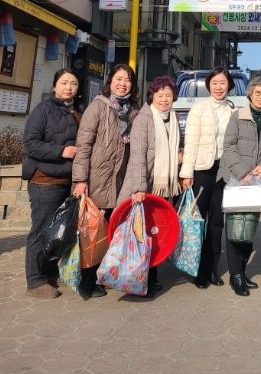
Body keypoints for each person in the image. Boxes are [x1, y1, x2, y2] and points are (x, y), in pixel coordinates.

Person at [72, 63, 140, 300]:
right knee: (92, 233)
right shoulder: (98, 107)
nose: (122, 84)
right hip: (96, 178)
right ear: (110, 82)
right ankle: (86, 281)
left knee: (110, 229)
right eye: (118, 79)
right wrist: (80, 179)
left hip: (120, 181)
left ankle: (102, 276)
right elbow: (83, 145)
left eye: (127, 80)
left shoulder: (133, 111)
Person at [118, 76, 181, 297]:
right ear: (152, 96)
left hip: (162, 186)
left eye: (168, 95)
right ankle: (138, 278)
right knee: (141, 232)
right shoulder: (143, 119)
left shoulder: (172, 118)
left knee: (155, 230)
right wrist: (139, 188)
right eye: (160, 95)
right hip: (145, 186)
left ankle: (150, 276)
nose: (164, 99)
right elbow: (137, 156)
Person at [220, 75, 261, 296]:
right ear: (250, 94)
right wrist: (242, 172)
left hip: (256, 181)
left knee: (249, 227)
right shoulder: (237, 116)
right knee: (235, 226)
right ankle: (235, 275)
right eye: (258, 93)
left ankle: (242, 271)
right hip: (237, 179)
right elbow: (229, 146)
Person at [22, 69, 80, 299]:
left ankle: (49, 273)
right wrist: (61, 151)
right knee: (41, 230)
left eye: (73, 83)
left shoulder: (76, 110)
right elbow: (30, 144)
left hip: (66, 180)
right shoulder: (43, 110)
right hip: (45, 180)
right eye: (64, 83)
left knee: (58, 231)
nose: (69, 87)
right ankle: (35, 281)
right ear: (55, 86)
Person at [179, 66, 235, 288]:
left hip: (223, 172)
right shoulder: (199, 109)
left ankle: (212, 269)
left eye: (223, 83)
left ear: (229, 85)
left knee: (217, 223)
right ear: (209, 86)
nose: (219, 87)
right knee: (197, 222)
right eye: (215, 83)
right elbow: (190, 142)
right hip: (201, 172)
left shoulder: (233, 110)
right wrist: (186, 174)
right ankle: (197, 270)